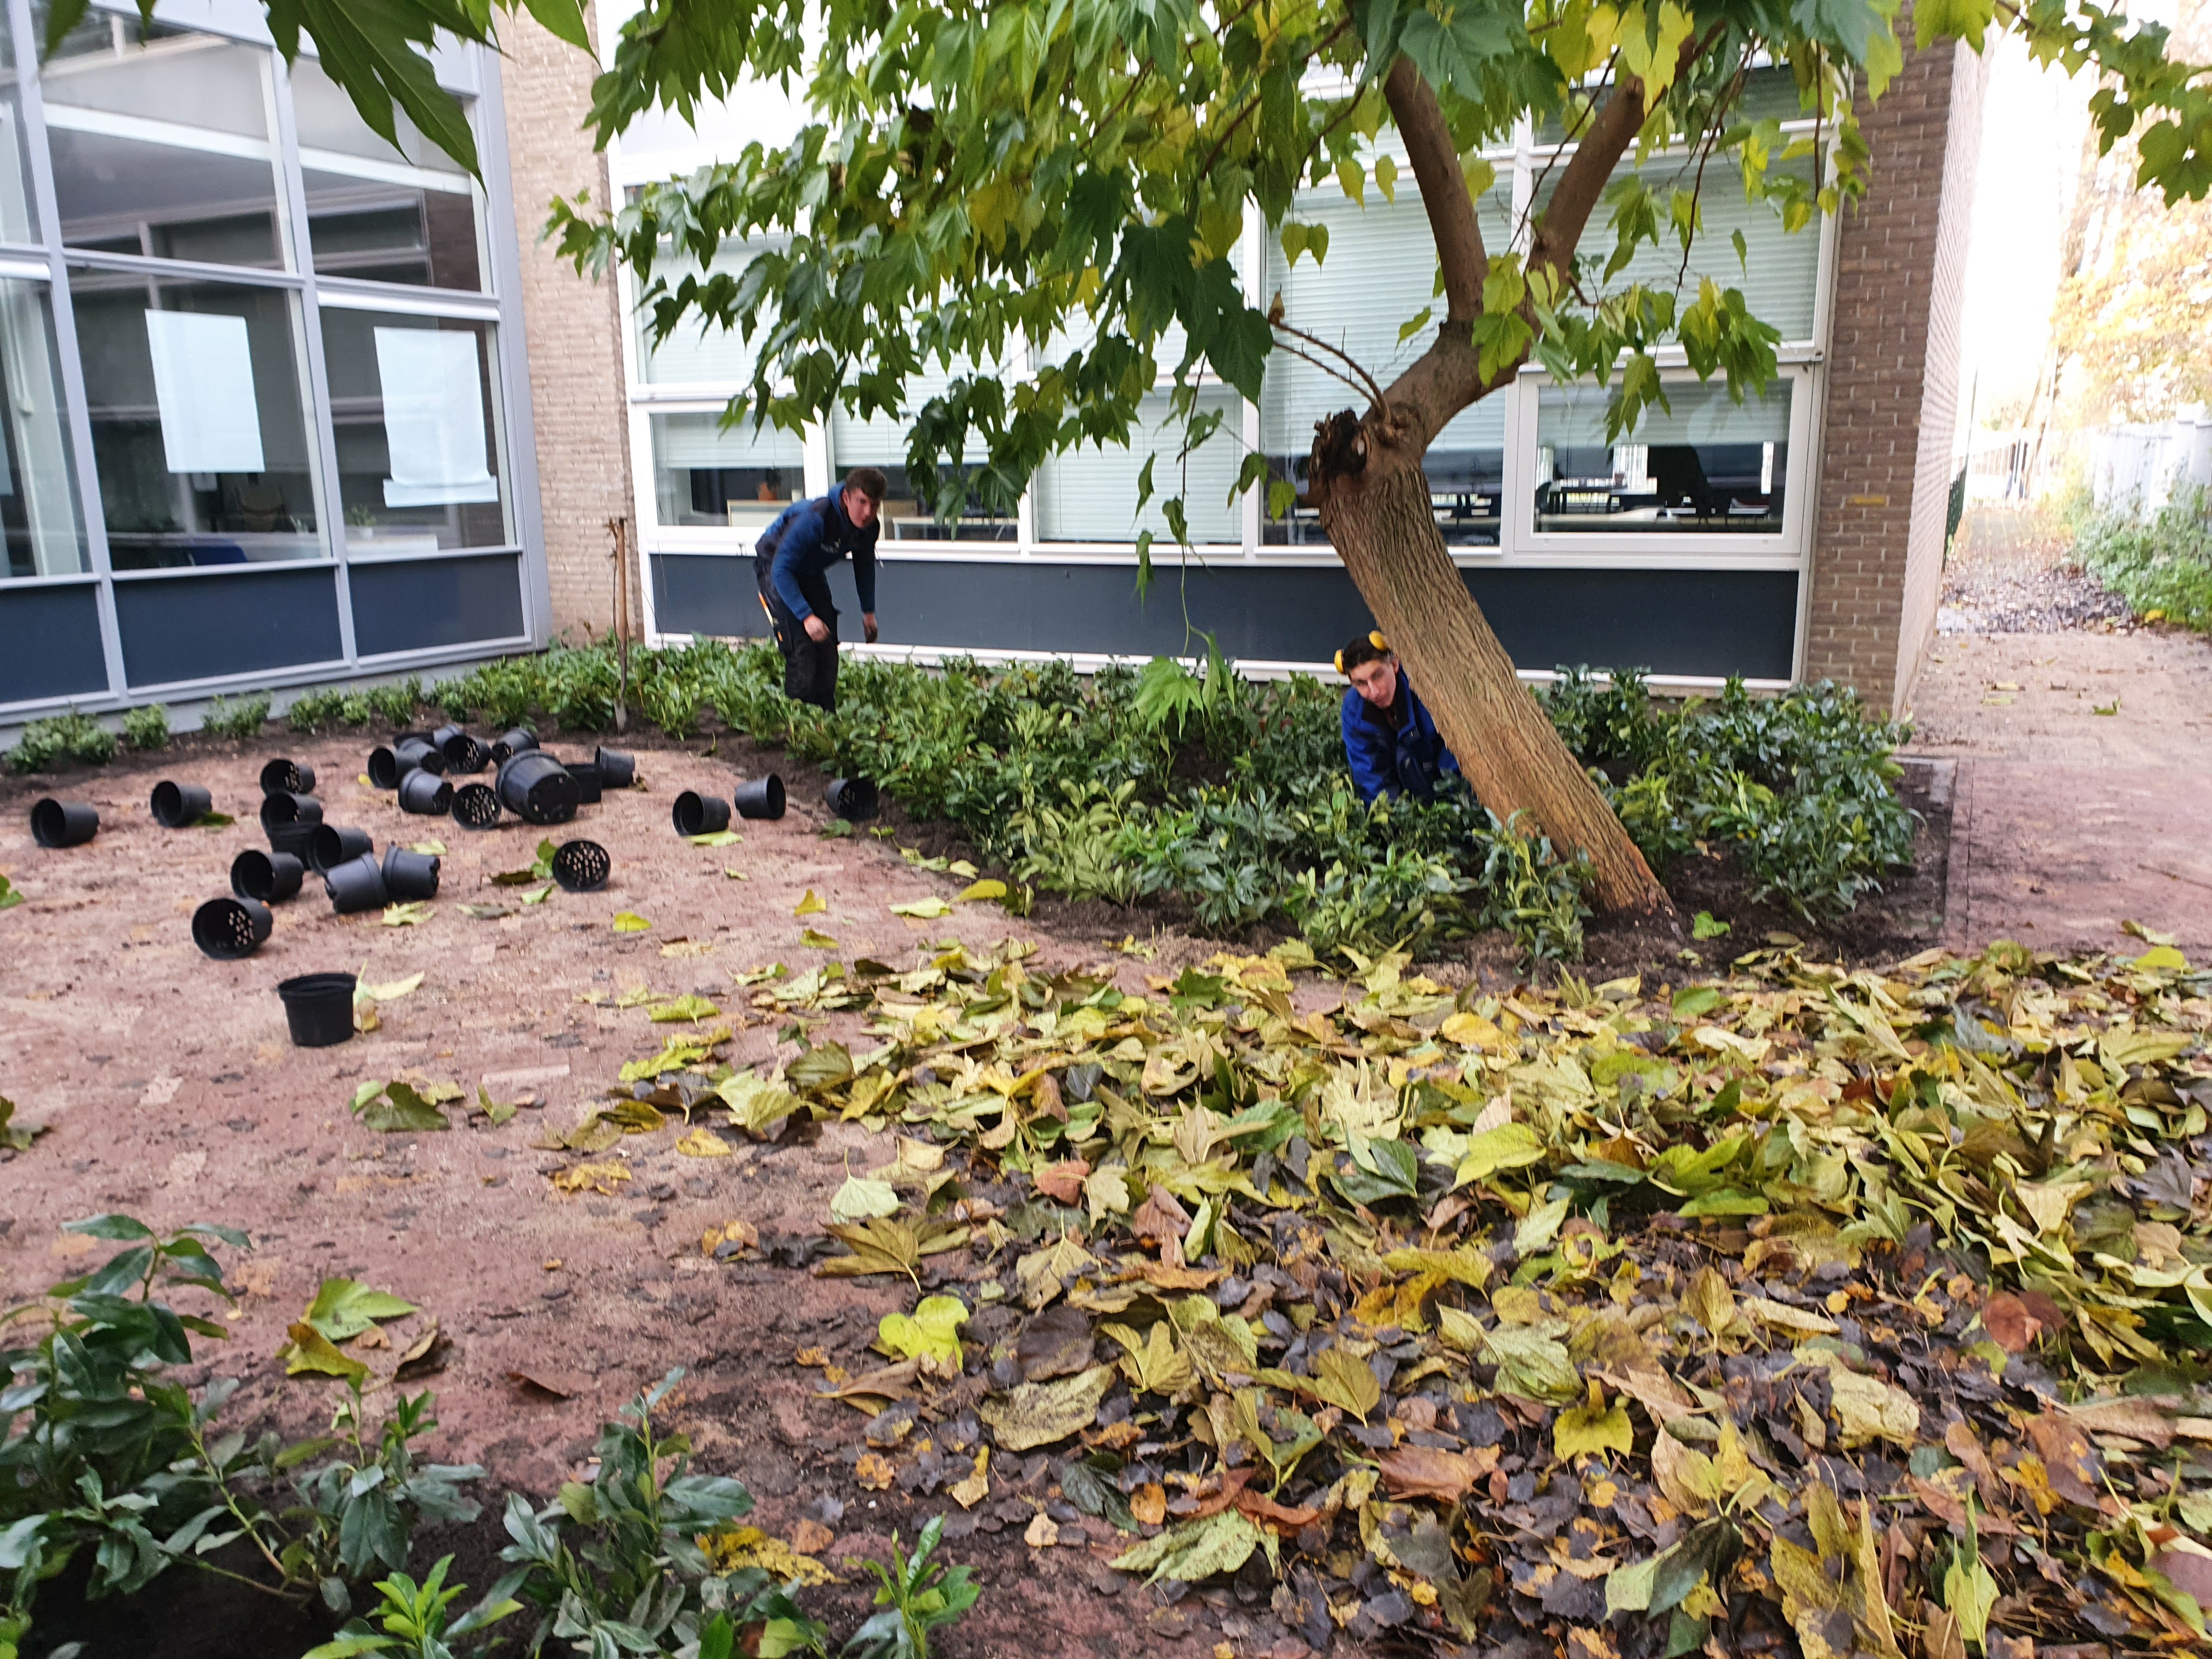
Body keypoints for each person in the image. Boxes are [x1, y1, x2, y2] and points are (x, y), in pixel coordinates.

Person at [754, 467, 885, 712]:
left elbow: (864, 566)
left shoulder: (869, 528)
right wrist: (806, 616)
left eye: (875, 505)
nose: (868, 513)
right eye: (862, 502)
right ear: (846, 498)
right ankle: (797, 723)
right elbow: (781, 570)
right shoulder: (816, 518)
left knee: (826, 643)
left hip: (808, 572)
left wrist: (868, 612)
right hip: (775, 566)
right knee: (802, 648)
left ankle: (825, 719)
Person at [1337, 631, 1462, 803]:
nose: (1373, 692)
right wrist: (1395, 820)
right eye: (1361, 683)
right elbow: (1370, 777)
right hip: (1405, 805)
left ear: (1395, 665)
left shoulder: (1426, 694)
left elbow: (1455, 761)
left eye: (1377, 676)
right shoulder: (1353, 711)